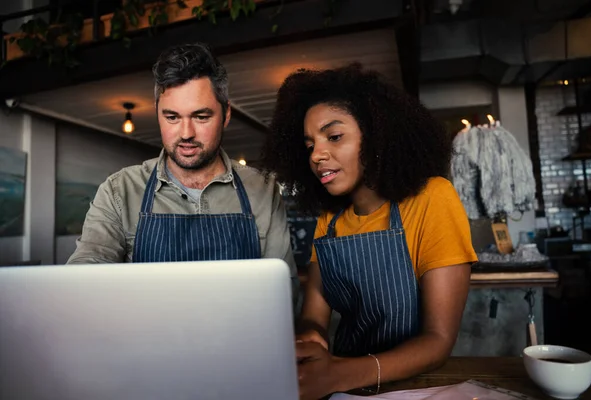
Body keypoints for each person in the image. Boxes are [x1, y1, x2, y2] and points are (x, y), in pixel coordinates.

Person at [260, 63, 477, 400]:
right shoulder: (329, 221)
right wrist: (310, 340)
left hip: (416, 387)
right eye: (309, 145)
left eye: (334, 137)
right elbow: (315, 317)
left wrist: (337, 373)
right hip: (344, 389)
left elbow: (438, 340)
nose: (317, 155)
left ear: (376, 136)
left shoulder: (432, 199)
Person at [67, 43, 298, 302]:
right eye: (172, 117)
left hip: (238, 340)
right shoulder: (119, 190)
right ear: (157, 114)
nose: (186, 133)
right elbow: (85, 276)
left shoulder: (263, 190)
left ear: (226, 115)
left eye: (201, 117)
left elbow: (284, 292)